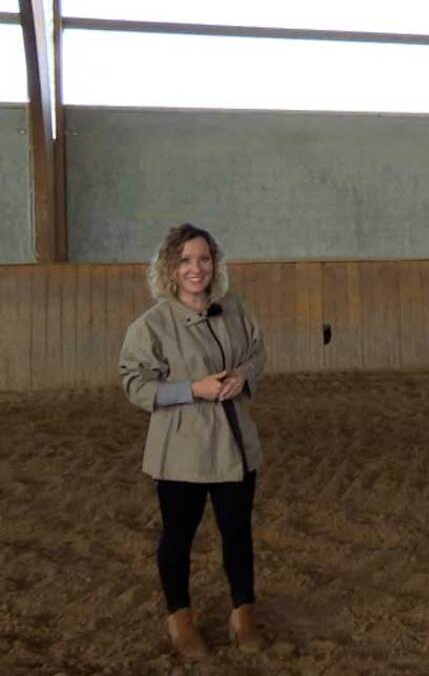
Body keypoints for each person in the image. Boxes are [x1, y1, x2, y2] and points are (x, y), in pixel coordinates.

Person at [119, 223, 266, 660]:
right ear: (170, 268)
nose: (196, 268)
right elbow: (134, 384)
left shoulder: (235, 309)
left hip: (236, 447)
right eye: (185, 260)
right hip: (181, 451)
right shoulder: (153, 325)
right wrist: (192, 390)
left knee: (237, 533)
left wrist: (243, 376)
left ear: (214, 264)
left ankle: (244, 614)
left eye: (203, 258)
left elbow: (257, 352)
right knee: (178, 536)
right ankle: (180, 618)